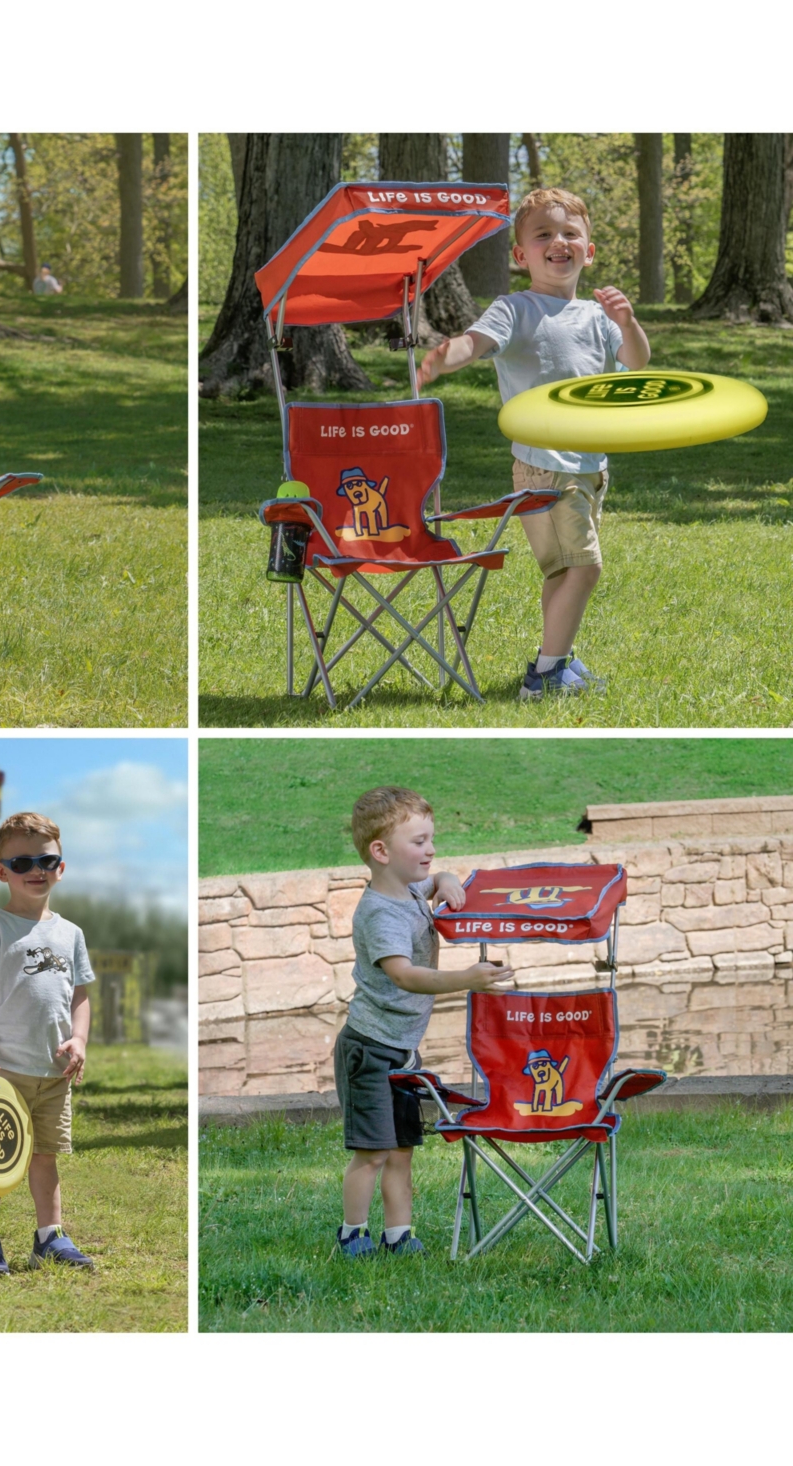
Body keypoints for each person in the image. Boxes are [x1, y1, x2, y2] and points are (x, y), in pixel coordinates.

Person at [418, 187, 651, 700]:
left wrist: (627, 322)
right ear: (521, 256)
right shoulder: (514, 309)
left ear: (589, 251)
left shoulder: (596, 316)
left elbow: (637, 363)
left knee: (562, 569)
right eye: (543, 234)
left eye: (570, 234)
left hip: (589, 463)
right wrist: (446, 355)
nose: (558, 242)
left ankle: (558, 660)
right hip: (544, 467)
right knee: (585, 569)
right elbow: (476, 342)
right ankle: (544, 677)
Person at [333, 785, 514, 1260]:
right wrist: (467, 978)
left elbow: (435, 883)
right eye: (419, 842)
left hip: (401, 1049)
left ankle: (400, 1235)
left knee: (401, 1151)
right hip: (369, 1050)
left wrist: (449, 879)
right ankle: (352, 1234)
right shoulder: (379, 914)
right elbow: (406, 976)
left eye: (431, 839)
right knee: (372, 1153)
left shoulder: (409, 888)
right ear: (381, 851)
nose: (430, 850)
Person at [0, 811, 96, 1276]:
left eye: (46, 861)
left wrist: (78, 1038)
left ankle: (49, 1236)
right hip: (5, 1069)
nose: (35, 870)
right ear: (1, 872)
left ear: (62, 866)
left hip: (53, 1072)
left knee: (45, 1154)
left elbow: (80, 995)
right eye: (21, 863)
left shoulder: (71, 933)